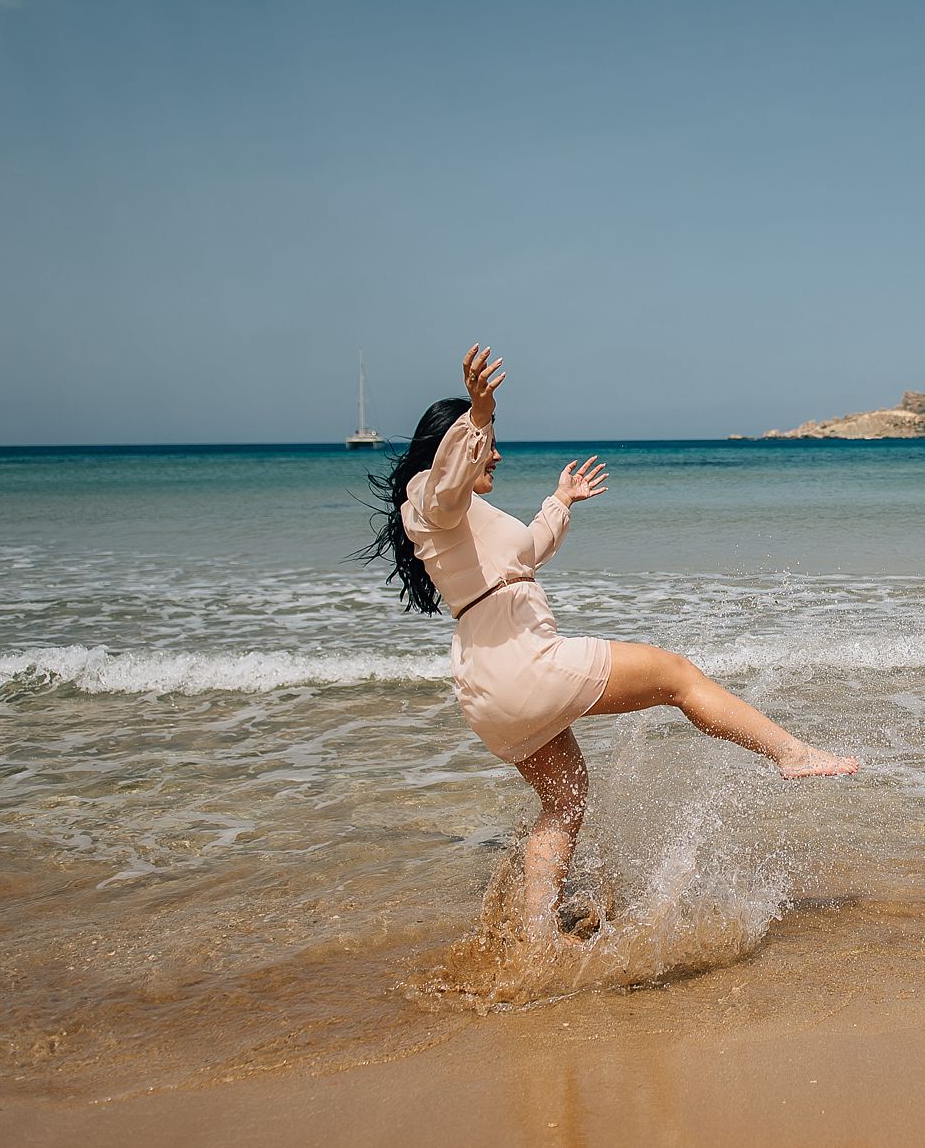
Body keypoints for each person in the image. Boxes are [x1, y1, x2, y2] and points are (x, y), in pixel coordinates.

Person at [363, 346, 857, 943]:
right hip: (526, 665)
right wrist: (481, 408)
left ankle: (536, 938)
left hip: (487, 691)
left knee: (565, 803)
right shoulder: (430, 495)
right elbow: (447, 479)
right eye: (486, 441)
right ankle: (790, 752)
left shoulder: (459, 519)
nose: (495, 450)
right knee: (677, 674)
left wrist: (559, 502)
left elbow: (524, 553)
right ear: (454, 442)